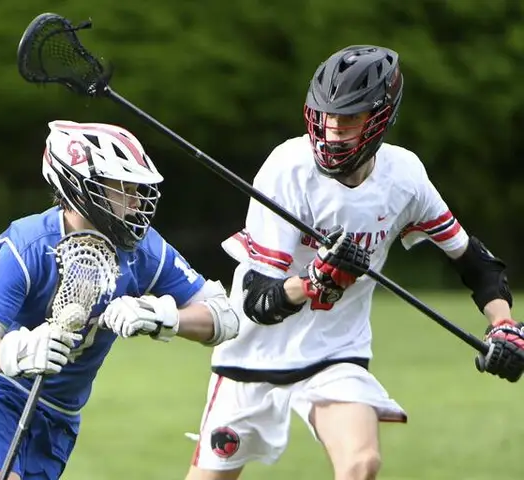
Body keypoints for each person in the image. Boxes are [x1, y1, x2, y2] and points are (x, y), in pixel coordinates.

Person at [185, 45, 524, 480]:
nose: (332, 132)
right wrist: (313, 281)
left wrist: (502, 324)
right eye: (325, 117)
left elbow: (475, 264)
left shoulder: (404, 177)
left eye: (348, 119)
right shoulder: (287, 168)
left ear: (380, 118)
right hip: (252, 354)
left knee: (361, 463)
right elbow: (257, 301)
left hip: (335, 353)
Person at [0, 120, 239, 480]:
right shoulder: (29, 245)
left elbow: (224, 318)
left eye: (138, 189)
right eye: (123, 188)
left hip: (60, 414)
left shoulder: (144, 249)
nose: (136, 201)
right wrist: (18, 351)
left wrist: (164, 317)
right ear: (79, 186)